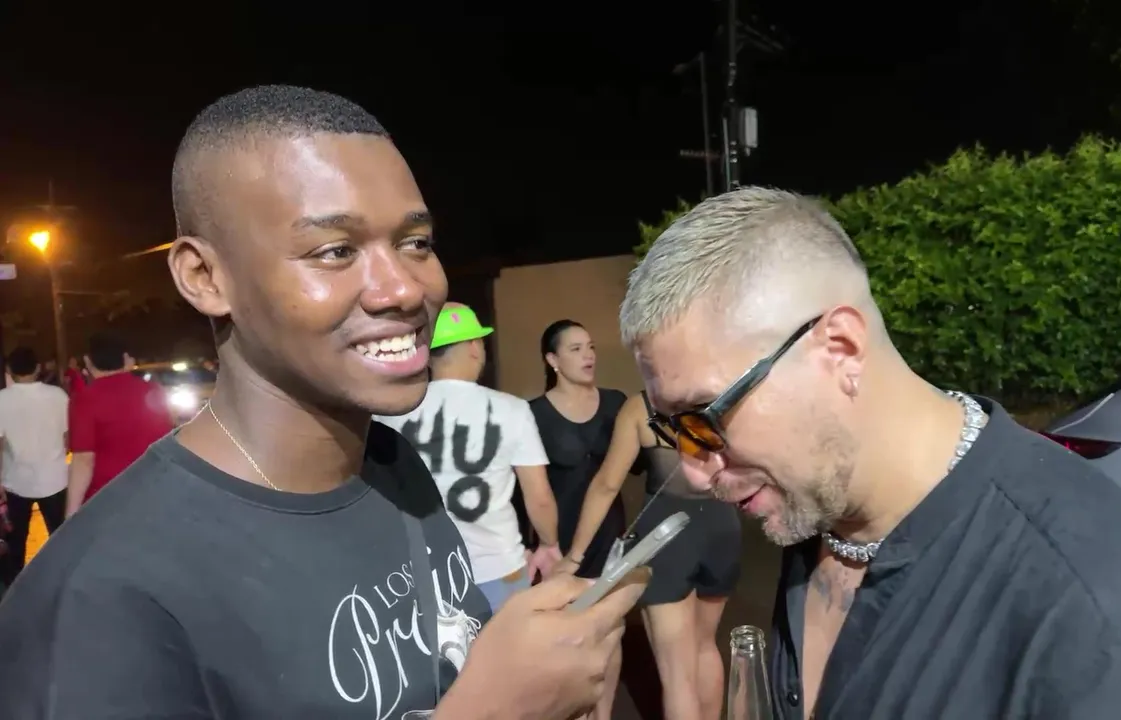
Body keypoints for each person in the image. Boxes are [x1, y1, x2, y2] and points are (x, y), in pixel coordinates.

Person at [0, 85, 642, 720]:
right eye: (335, 251)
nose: (403, 289)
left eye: (416, 243)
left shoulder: (392, 465)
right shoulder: (98, 602)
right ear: (205, 277)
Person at [617, 186, 1121, 719]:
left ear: (839, 350)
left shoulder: (1110, 613)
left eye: (705, 418)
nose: (695, 470)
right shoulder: (816, 506)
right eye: (673, 429)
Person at [562, 391, 741, 719]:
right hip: (722, 526)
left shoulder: (640, 407)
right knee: (705, 645)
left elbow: (607, 484)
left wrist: (574, 555)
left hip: (667, 535)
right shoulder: (719, 396)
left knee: (677, 674)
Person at [380, 302, 562, 611]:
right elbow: (540, 498)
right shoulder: (512, 409)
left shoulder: (390, 413)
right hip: (499, 567)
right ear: (475, 347)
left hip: (420, 573)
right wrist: (549, 543)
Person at [528, 319, 629, 719]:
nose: (588, 356)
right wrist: (534, 546)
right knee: (568, 638)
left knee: (611, 631)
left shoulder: (617, 404)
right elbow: (524, 492)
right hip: (560, 542)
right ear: (552, 360)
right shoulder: (533, 414)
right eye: (575, 349)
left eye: (590, 347)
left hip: (610, 536)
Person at [65, 332, 173, 516]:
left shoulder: (85, 399)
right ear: (126, 358)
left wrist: (71, 514)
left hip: (107, 497)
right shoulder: (153, 390)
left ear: (88, 361)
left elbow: (83, 460)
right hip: (153, 491)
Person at [0, 346, 69, 587]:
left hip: (16, 481)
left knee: (17, 541)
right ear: (38, 368)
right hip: (55, 478)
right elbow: (67, 436)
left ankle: (15, 589)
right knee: (60, 537)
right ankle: (62, 583)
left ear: (9, 369)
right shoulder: (58, 395)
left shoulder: (2, 400)